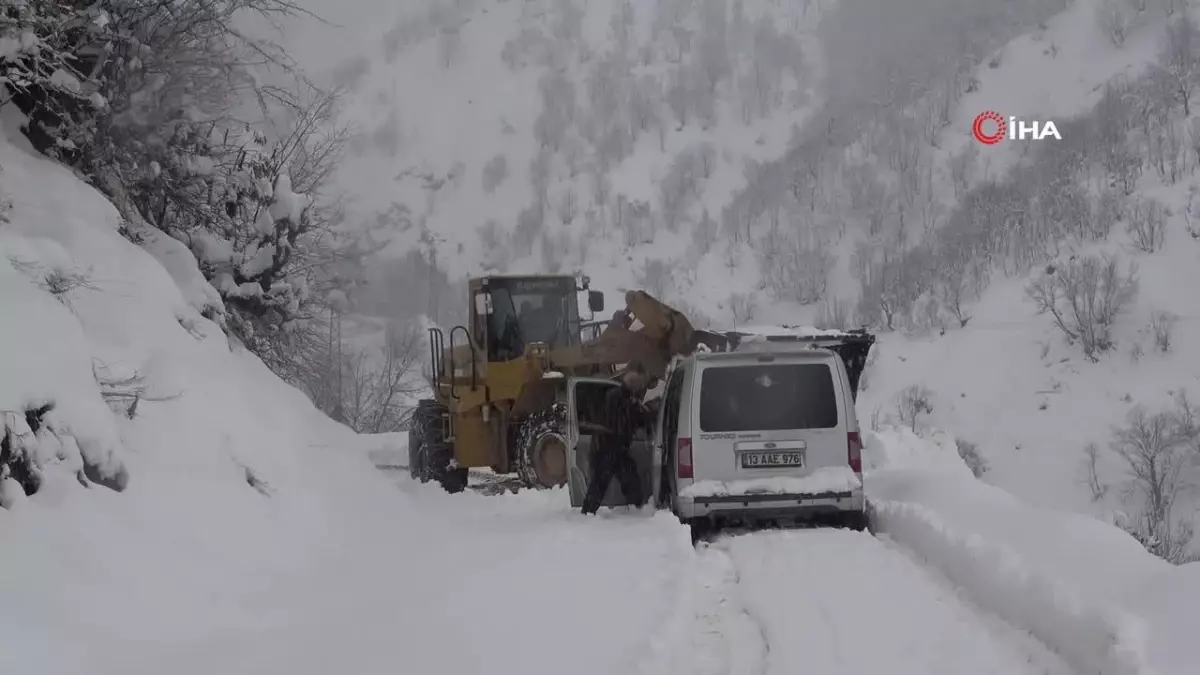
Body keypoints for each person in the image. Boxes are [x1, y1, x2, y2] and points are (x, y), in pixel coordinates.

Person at [581, 362, 652, 515]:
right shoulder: (615, 396)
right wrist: (638, 413)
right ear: (633, 380)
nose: (641, 387)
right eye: (640, 382)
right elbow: (620, 423)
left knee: (630, 480)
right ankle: (586, 514)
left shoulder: (626, 399)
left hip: (616, 450)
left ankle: (636, 511)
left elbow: (630, 420)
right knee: (599, 485)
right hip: (607, 448)